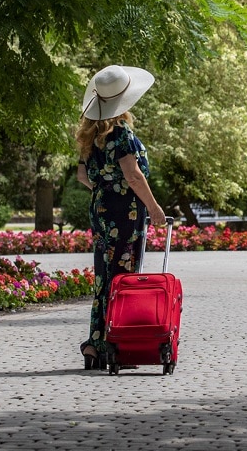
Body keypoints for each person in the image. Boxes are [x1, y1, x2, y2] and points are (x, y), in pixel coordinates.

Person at [75, 64, 167, 370]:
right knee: (123, 274)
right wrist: (153, 208)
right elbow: (134, 175)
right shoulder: (121, 133)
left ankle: (95, 343)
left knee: (105, 275)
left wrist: (104, 187)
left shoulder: (91, 136)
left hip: (101, 207)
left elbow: (82, 176)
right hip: (124, 210)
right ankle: (117, 343)